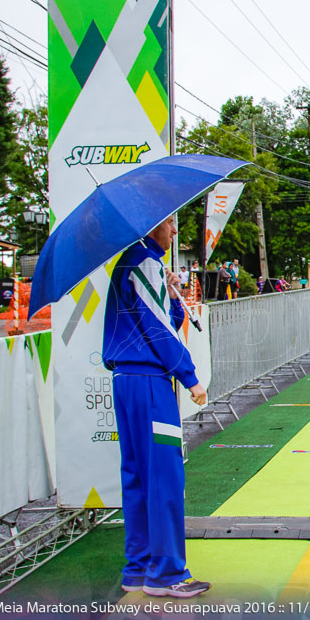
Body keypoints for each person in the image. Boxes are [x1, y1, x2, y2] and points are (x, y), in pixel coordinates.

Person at [102, 215, 210, 598]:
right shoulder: (145, 259)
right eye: (169, 223)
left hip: (126, 380)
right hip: (149, 382)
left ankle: (140, 567)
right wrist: (190, 376)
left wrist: (170, 292)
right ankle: (167, 574)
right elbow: (158, 329)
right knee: (164, 475)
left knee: (136, 476)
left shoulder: (134, 263)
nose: (174, 231)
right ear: (151, 226)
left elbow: (165, 318)